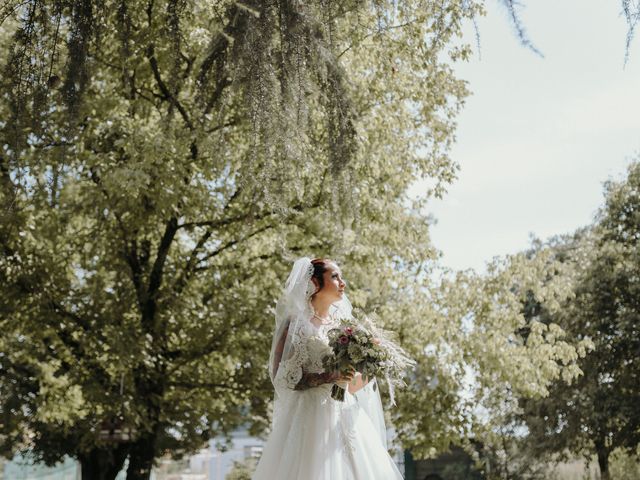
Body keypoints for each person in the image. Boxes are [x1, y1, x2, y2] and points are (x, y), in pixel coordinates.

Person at [252, 257, 404, 479]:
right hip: (311, 417)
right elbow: (283, 379)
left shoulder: (344, 327)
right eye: (335, 277)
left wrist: (372, 366)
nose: (342, 283)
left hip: (345, 414)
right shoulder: (295, 325)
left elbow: (349, 387)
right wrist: (329, 376)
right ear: (314, 282)